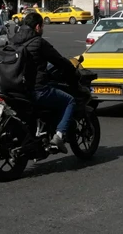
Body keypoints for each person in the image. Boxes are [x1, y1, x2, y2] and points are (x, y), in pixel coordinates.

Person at [4, 11, 79, 151]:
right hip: (36, 90)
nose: (42, 29)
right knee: (69, 101)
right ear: (37, 27)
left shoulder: (13, 40)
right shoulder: (39, 42)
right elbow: (59, 61)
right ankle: (59, 136)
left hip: (13, 90)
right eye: (42, 26)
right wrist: (72, 71)